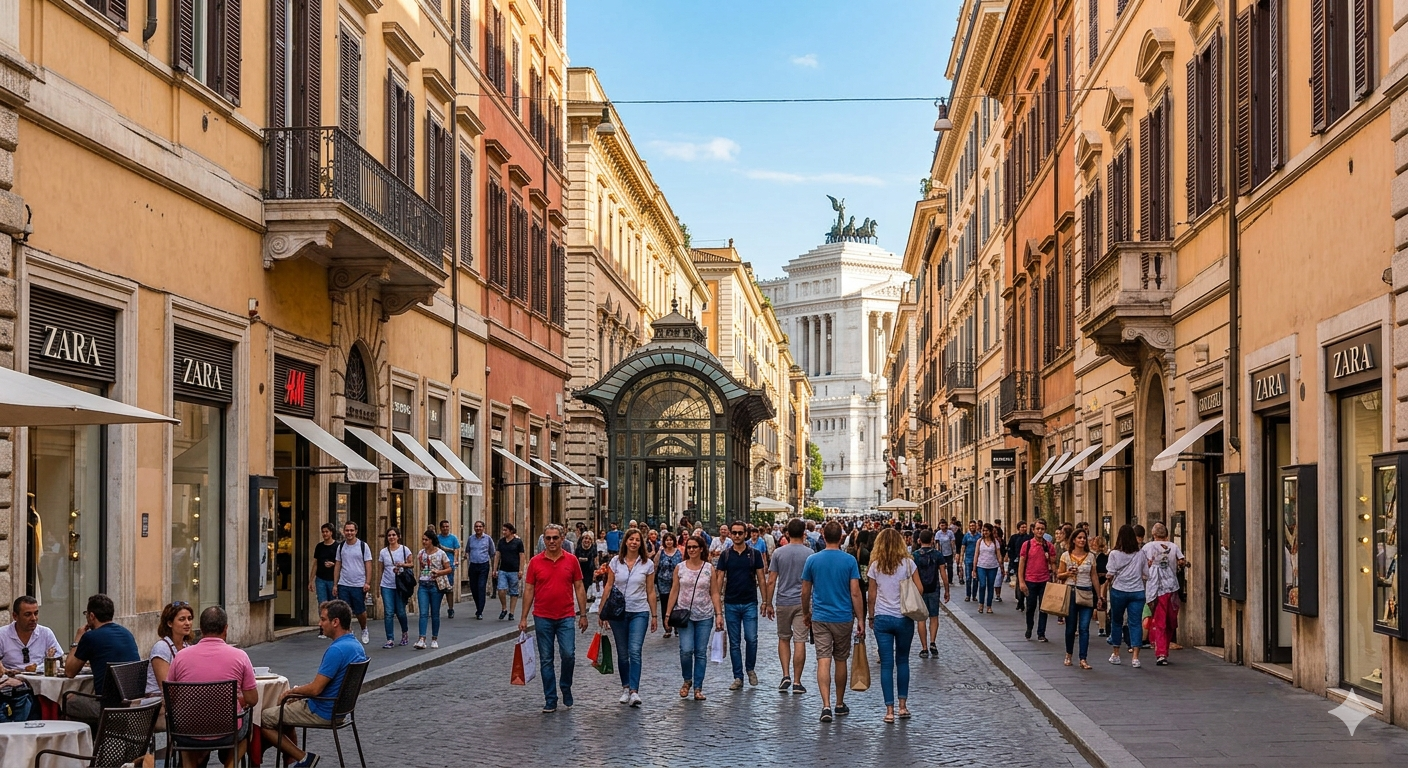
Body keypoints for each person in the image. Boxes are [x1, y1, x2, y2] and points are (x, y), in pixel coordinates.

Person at [260, 600, 368, 768]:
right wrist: (299, 693)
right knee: (286, 710)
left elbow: (316, 688)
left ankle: (303, 758)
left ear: (335, 622)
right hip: (341, 710)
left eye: (323, 619)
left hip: (323, 710)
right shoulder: (356, 646)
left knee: (265, 718)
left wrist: (291, 692)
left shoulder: (337, 650)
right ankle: (291, 761)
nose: (320, 623)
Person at [166, 606, 259, 768]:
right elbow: (253, 699)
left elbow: (171, 697)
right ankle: (230, 765)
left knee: (185, 737)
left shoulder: (180, 657)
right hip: (228, 731)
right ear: (226, 628)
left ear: (201, 629)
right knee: (248, 730)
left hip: (187, 732)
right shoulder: (240, 656)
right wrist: (238, 700)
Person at [518, 524, 589, 713]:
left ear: (562, 539)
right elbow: (529, 590)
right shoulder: (535, 562)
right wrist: (523, 617)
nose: (551, 541)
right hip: (542, 616)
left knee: (568, 654)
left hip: (566, 615)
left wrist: (583, 614)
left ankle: (565, 685)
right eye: (548, 538)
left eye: (555, 538)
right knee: (546, 659)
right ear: (544, 539)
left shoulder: (572, 560)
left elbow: (579, 587)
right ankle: (550, 698)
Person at [801, 522, 863, 723]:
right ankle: (839, 703)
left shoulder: (812, 560)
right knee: (841, 659)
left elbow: (805, 591)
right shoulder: (850, 561)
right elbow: (855, 592)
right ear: (842, 537)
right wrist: (861, 618)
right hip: (843, 616)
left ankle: (825, 705)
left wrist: (805, 613)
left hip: (820, 616)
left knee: (823, 659)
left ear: (824, 536)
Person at [867, 528, 924, 723]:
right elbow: (920, 588)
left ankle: (889, 711)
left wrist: (871, 616)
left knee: (886, 665)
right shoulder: (909, 564)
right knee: (902, 661)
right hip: (903, 617)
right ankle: (903, 706)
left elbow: (871, 595)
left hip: (882, 618)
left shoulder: (875, 565)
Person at [599, 528, 657, 707]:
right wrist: (602, 611)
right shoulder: (616, 561)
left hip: (639, 610)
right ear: (625, 542)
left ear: (641, 543)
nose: (634, 542)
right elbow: (608, 586)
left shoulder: (647, 564)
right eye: (631, 539)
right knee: (623, 653)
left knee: (634, 650)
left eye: (637, 540)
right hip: (618, 612)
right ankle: (625, 687)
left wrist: (655, 615)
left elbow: (650, 591)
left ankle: (634, 691)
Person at [63, 594, 140, 723]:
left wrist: (77, 639)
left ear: (92, 616)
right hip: (132, 703)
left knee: (69, 700)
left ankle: (84, 741)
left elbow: (69, 672)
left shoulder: (91, 637)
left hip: (108, 707)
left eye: (86, 614)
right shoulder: (126, 633)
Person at [664, 535, 722, 701]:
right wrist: (667, 614)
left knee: (701, 652)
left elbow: (715, 592)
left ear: (701, 549)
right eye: (689, 547)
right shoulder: (680, 568)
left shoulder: (708, 568)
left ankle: (698, 687)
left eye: (695, 547)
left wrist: (719, 614)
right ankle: (687, 680)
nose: (691, 550)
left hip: (705, 614)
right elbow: (674, 590)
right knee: (686, 650)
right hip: (684, 615)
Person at [715, 519, 767, 690]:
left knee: (751, 639)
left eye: (740, 533)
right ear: (730, 534)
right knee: (734, 642)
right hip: (731, 603)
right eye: (734, 533)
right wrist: (717, 604)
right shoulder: (726, 555)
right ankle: (738, 676)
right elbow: (719, 578)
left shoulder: (755, 554)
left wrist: (766, 601)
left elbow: (761, 578)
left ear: (745, 534)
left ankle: (750, 668)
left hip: (750, 602)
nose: (737, 536)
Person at [767, 518, 814, 694]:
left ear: (787, 533)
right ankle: (797, 681)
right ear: (804, 533)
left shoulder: (779, 553)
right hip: (802, 602)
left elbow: (771, 580)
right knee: (800, 640)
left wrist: (767, 602)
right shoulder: (810, 553)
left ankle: (785, 674)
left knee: (783, 638)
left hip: (783, 601)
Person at [0, 596, 63, 723]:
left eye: (36, 613)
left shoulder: (45, 633)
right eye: (28, 614)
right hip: (10, 688)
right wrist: (7, 674)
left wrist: (34, 670)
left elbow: (58, 661)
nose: (33, 618)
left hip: (40, 687)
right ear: (15, 616)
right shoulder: (2, 634)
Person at [1141, 522, 1187, 665]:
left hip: (1155, 588)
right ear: (1167, 535)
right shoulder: (1174, 546)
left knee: (1160, 621)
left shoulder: (1147, 547)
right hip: (1171, 587)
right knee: (1170, 621)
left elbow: (1142, 564)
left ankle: (1161, 652)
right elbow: (1182, 561)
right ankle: (1162, 650)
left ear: (1153, 535)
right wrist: (1182, 563)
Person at [1105, 524, 1146, 668]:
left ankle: (1116, 654)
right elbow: (1146, 574)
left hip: (1119, 590)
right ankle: (1135, 657)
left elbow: (1110, 573)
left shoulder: (1114, 554)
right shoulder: (1140, 553)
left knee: (1117, 621)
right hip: (1137, 591)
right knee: (1135, 623)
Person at [1057, 529, 1097, 669]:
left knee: (1084, 628)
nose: (1082, 540)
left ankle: (1083, 658)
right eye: (1079, 538)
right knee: (1071, 627)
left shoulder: (1091, 556)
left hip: (1086, 592)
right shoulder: (1065, 556)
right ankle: (1068, 654)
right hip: (1071, 591)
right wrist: (1068, 573)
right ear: (1073, 540)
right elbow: (1059, 574)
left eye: (1084, 538)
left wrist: (1099, 595)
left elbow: (1094, 576)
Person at [331, 522, 373, 644]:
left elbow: (368, 564)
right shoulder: (341, 546)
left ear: (356, 531)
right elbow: (338, 564)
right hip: (344, 583)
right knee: (344, 610)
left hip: (358, 584)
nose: (349, 533)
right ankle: (349, 631)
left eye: (351, 531)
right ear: (344, 531)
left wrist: (367, 582)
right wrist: (335, 584)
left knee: (360, 611)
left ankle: (364, 628)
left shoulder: (363, 546)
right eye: (347, 530)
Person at [911, 530, 949, 658]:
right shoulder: (938, 555)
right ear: (932, 539)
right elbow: (943, 573)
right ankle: (933, 641)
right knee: (934, 617)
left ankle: (924, 648)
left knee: (921, 619)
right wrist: (947, 590)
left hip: (919, 590)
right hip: (934, 588)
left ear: (919, 540)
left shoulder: (915, 555)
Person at [1017, 520, 1057, 642]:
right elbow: (1022, 563)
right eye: (1038, 529)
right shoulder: (1027, 544)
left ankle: (1041, 633)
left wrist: (1056, 574)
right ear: (1033, 530)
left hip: (1044, 580)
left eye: (1042, 529)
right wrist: (1021, 581)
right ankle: (1029, 627)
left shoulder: (1049, 546)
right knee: (1030, 607)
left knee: (1044, 608)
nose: (1040, 531)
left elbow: (1053, 563)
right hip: (1030, 580)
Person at [145, 601, 195, 697]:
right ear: (170, 623)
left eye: (190, 619)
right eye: (182, 619)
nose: (187, 623)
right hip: (157, 700)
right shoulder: (161, 648)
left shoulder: (187, 647)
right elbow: (166, 687)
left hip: (181, 698)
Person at [415, 529, 453, 649]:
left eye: (426, 539)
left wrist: (439, 572)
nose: (424, 542)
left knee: (435, 613)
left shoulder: (440, 553)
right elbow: (421, 568)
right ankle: (421, 638)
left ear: (431, 540)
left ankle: (434, 638)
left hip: (435, 585)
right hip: (423, 584)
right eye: (423, 539)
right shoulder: (421, 553)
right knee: (423, 613)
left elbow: (449, 569)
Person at [376, 528, 412, 649]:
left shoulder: (404, 549)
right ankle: (390, 638)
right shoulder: (383, 552)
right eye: (389, 535)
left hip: (400, 585)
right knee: (388, 612)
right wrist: (377, 586)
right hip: (386, 585)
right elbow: (380, 569)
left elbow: (411, 564)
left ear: (398, 536)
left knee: (401, 612)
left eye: (394, 535)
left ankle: (405, 633)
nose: (391, 537)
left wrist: (402, 565)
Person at [309, 524, 340, 636]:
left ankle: (333, 628)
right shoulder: (319, 547)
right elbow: (316, 563)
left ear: (331, 532)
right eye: (323, 532)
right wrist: (311, 580)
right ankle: (323, 628)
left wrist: (333, 564)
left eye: (327, 531)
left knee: (333, 604)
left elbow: (340, 563)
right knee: (322, 604)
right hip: (320, 578)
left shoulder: (337, 546)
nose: (325, 534)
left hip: (332, 579)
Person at [493, 523, 526, 621]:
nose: (503, 532)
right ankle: (504, 608)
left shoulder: (518, 542)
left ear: (511, 531)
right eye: (503, 530)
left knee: (513, 592)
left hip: (514, 570)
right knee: (501, 589)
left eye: (505, 530)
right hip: (503, 569)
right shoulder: (501, 542)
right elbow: (497, 555)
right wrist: (495, 569)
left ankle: (511, 612)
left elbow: (522, 556)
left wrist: (521, 570)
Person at [465, 520, 496, 620]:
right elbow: (467, 551)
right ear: (474, 528)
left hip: (484, 565)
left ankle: (480, 611)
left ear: (483, 528)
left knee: (481, 586)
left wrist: (493, 568)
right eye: (476, 526)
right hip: (473, 565)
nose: (478, 528)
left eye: (480, 526)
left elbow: (492, 553)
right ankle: (478, 606)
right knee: (474, 588)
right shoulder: (471, 539)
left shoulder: (488, 539)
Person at [654, 533, 683, 639]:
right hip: (663, 583)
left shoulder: (678, 552)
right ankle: (667, 628)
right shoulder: (661, 553)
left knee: (677, 604)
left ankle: (677, 627)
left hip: (676, 582)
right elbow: (655, 565)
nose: (669, 542)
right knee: (665, 605)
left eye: (671, 540)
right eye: (667, 540)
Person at [971, 523, 1003, 613]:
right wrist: (974, 569)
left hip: (993, 566)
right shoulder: (979, 541)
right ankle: (981, 604)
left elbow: (998, 554)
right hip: (981, 566)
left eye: (987, 531)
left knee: (990, 586)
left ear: (990, 531)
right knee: (982, 585)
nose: (985, 532)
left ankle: (989, 606)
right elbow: (976, 554)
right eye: (983, 530)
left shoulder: (995, 542)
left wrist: (1001, 565)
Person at [437, 520, 462, 619]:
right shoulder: (437, 538)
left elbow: (456, 550)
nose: (445, 528)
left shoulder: (453, 538)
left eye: (447, 526)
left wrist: (455, 560)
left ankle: (450, 608)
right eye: (443, 527)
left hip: (449, 566)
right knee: (438, 588)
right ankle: (436, 609)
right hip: (438, 566)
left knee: (449, 588)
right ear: (440, 528)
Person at [1007, 522, 1031, 612]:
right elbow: (1010, 549)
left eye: (1025, 527)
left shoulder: (1029, 538)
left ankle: (1023, 599)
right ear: (1018, 528)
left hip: (1027, 563)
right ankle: (1020, 599)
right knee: (1019, 581)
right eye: (1022, 527)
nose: (1024, 529)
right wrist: (1013, 559)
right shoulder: (1014, 538)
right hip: (1017, 563)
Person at [1091, 535, 1110, 637]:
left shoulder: (1094, 556)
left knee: (1100, 604)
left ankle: (1102, 628)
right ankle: (1103, 627)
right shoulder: (1107, 556)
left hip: (1097, 582)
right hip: (1105, 582)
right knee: (1103, 604)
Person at [576, 532, 600, 602]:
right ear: (582, 539)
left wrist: (597, 570)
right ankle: (582, 604)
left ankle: (584, 603)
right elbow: (576, 559)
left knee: (587, 586)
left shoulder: (593, 548)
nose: (587, 540)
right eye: (585, 538)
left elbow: (596, 559)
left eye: (589, 539)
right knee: (581, 588)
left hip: (590, 570)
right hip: (580, 570)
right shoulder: (578, 548)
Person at [961, 521, 981, 601]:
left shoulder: (979, 536)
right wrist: (961, 559)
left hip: (978, 559)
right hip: (968, 559)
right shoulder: (966, 536)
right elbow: (963, 547)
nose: (972, 527)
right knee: (968, 578)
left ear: (976, 526)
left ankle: (974, 595)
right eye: (971, 526)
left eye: (973, 525)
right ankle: (968, 595)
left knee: (975, 578)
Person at [935, 519, 957, 587]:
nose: (942, 526)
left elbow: (952, 542)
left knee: (950, 566)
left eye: (943, 525)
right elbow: (937, 543)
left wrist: (954, 551)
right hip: (941, 552)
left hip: (949, 552)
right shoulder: (938, 533)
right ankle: (943, 579)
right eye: (941, 525)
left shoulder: (950, 533)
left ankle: (950, 580)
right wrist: (937, 551)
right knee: (942, 567)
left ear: (946, 525)